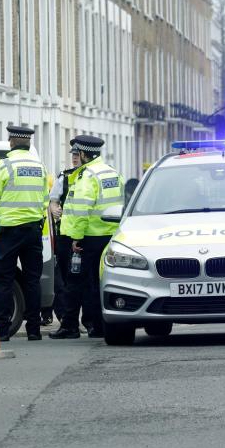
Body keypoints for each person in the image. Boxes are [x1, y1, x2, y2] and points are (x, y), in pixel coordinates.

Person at [0, 125, 49, 341]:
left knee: (3, 280)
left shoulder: (4, 165)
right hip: (33, 231)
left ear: (11, 141)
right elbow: (45, 200)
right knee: (32, 280)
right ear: (28, 143)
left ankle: (1, 332)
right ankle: (34, 330)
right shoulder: (39, 166)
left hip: (10, 231)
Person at [60, 135, 123, 339]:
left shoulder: (88, 176)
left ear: (84, 154)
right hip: (110, 236)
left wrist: (76, 238)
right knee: (102, 282)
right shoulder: (112, 172)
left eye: (79, 154)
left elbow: (81, 209)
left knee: (82, 282)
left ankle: (75, 327)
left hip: (90, 237)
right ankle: (100, 325)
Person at [48, 145, 86, 339]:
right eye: (73, 155)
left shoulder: (90, 176)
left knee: (85, 279)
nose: (74, 158)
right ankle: (67, 320)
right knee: (65, 280)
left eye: (77, 155)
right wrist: (54, 208)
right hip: (65, 236)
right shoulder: (64, 177)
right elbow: (53, 199)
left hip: (85, 235)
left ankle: (88, 320)